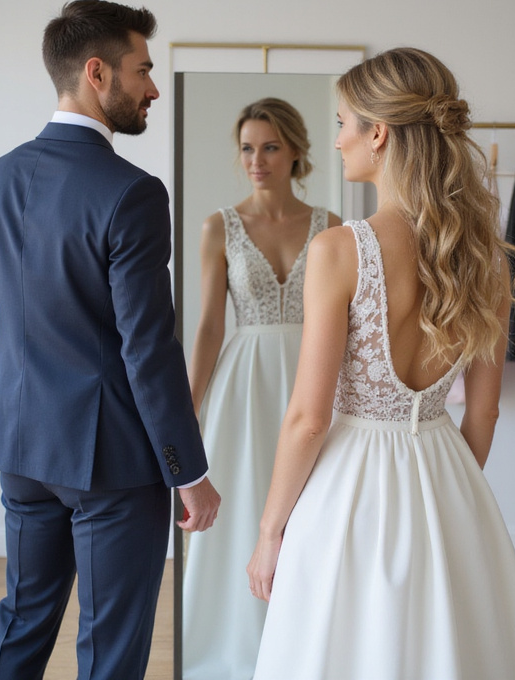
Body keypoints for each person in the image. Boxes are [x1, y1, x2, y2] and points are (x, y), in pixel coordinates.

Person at [247, 48, 515, 679]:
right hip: (446, 473)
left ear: (379, 133)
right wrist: (450, 497)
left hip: (349, 485)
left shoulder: (338, 249)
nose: (336, 140)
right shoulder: (487, 258)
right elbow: (485, 412)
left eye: (342, 123)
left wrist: (270, 532)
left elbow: (308, 419)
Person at [0, 0, 220, 680]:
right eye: (143, 69)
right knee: (109, 648)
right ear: (97, 73)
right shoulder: (133, 193)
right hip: (114, 464)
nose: (154, 88)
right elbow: (147, 347)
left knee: (23, 616)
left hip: (21, 450)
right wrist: (189, 472)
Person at [182, 98, 340, 680]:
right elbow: (208, 326)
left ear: (296, 151)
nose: (256, 160)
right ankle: (235, 640)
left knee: (315, 505)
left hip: (312, 376)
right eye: (247, 148)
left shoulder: (332, 226)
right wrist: (186, 411)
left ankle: (308, 645)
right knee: (248, 497)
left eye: (270, 147)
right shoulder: (219, 227)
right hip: (243, 384)